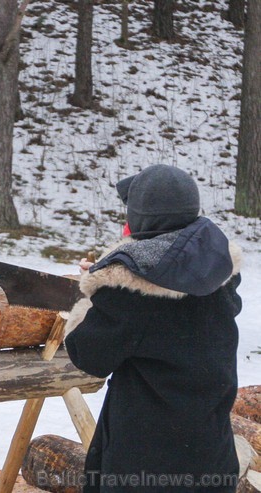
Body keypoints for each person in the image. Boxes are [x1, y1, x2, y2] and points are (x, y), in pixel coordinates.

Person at [64, 164, 242, 492]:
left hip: (147, 469)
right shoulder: (215, 271)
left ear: (139, 220)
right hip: (210, 457)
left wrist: (96, 292)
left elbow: (86, 352)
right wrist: (112, 278)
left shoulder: (132, 294)